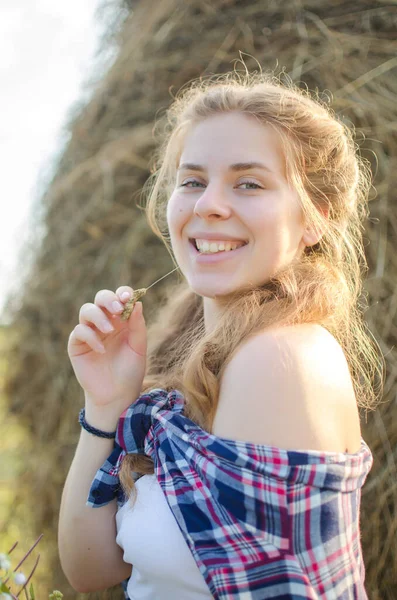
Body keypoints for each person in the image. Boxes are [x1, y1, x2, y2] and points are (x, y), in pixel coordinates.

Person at [58, 68, 382, 599]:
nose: (207, 204)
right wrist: (105, 405)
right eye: (191, 181)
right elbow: (93, 571)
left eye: (248, 183)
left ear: (313, 220)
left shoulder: (279, 358)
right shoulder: (198, 352)